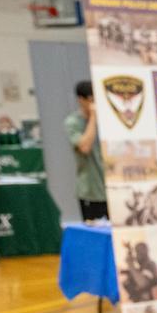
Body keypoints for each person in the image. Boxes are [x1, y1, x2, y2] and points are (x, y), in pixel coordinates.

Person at [66, 80, 106, 221]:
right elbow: (85, 147)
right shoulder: (73, 122)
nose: (94, 103)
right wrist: (93, 118)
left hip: (110, 188)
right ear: (80, 100)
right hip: (90, 191)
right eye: (90, 100)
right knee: (95, 230)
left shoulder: (106, 119)